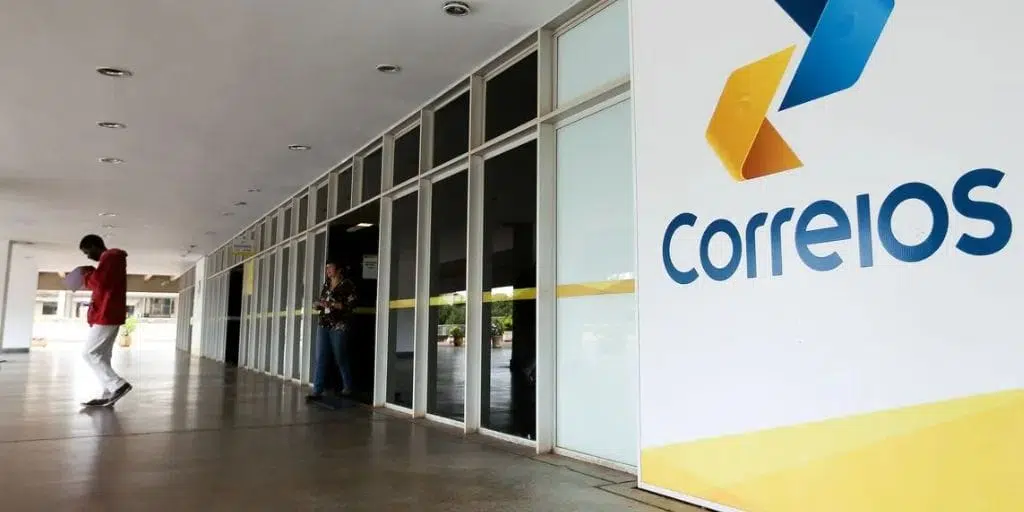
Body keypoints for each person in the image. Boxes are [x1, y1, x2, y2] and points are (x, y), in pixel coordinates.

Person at [77, 235, 132, 407]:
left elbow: (100, 284)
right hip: (107, 313)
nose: (88, 256)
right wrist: (91, 272)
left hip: (106, 314)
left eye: (87, 252)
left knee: (89, 353)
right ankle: (108, 392)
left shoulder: (111, 256)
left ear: (95, 246)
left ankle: (118, 385)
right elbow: (102, 283)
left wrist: (86, 274)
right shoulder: (111, 260)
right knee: (102, 355)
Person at [307, 261, 357, 401]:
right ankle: (317, 390)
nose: (328, 270)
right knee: (320, 356)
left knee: (340, 356)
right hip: (324, 324)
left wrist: (333, 304)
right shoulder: (326, 284)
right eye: (326, 268)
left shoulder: (347, 285)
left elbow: (351, 305)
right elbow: (323, 301)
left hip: (339, 325)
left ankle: (347, 387)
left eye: (330, 267)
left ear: (339, 269)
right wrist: (319, 304)